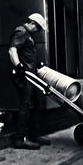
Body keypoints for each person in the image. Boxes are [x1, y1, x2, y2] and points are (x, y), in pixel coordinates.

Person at [8, 13, 51, 150]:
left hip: (30, 75)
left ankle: (34, 134)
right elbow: (12, 50)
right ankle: (20, 139)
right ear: (32, 23)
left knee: (34, 104)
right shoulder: (21, 31)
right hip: (24, 75)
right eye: (37, 28)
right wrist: (18, 67)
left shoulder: (27, 34)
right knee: (25, 105)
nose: (37, 31)